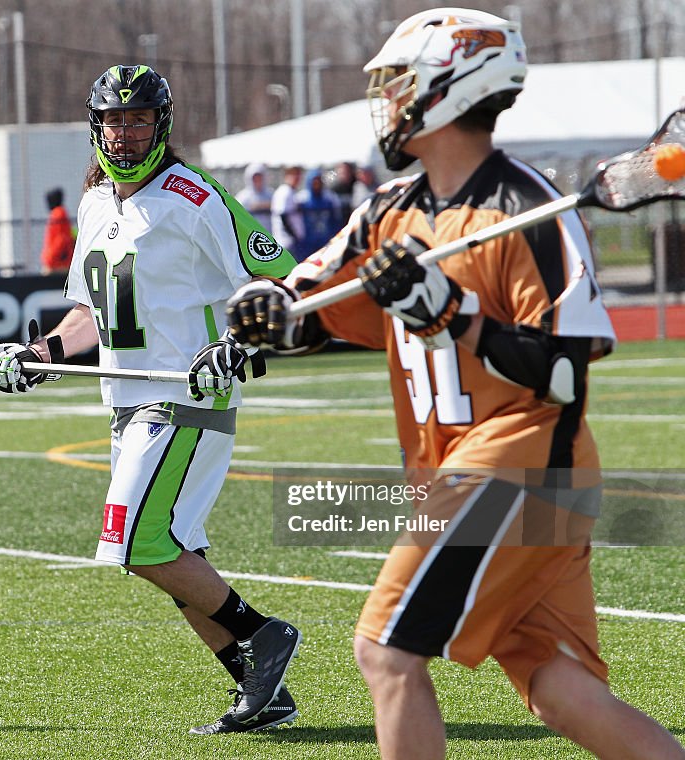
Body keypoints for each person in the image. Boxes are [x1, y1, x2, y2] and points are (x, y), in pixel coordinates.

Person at [225, 8, 685, 760]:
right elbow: (312, 308)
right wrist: (268, 314)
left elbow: (565, 370)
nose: (389, 99)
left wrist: (453, 315)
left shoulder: (529, 212)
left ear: (450, 87)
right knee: (557, 686)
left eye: (401, 82)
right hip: (465, 470)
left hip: (521, 465)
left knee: (385, 650)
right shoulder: (387, 211)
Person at [0, 64, 303, 735]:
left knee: (136, 542)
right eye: (114, 120)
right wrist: (37, 356)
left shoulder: (194, 195)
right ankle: (259, 690)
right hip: (128, 402)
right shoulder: (96, 202)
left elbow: (284, 282)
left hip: (187, 398)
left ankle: (264, 635)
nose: (125, 133)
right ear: (96, 126)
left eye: (138, 119)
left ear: (162, 123)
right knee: (177, 554)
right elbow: (89, 316)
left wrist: (238, 346)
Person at [295, 168, 342, 259]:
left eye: (318, 181)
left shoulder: (330, 197)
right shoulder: (301, 198)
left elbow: (336, 219)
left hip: (326, 239)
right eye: (314, 182)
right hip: (307, 242)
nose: (316, 184)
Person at [270, 165, 305, 259]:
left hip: (290, 241)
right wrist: (294, 236)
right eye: (293, 175)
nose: (297, 178)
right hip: (286, 242)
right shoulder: (284, 192)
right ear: (286, 176)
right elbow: (283, 216)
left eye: (298, 175)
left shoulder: (291, 191)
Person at [39, 187, 75, 276]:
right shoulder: (58, 212)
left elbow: (61, 238)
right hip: (57, 260)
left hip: (57, 262)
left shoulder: (58, 213)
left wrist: (51, 259)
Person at [235, 162, 273, 231]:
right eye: (255, 178)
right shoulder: (242, 197)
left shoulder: (270, 194)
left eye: (260, 177)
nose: (258, 180)